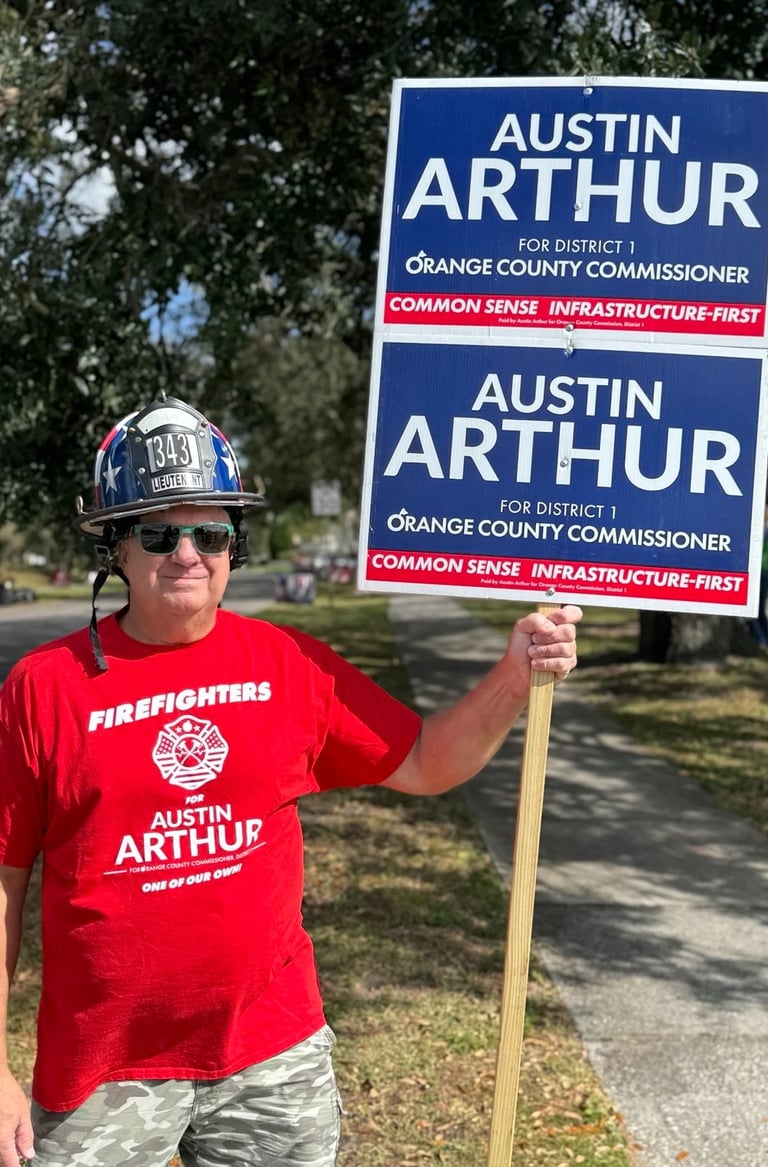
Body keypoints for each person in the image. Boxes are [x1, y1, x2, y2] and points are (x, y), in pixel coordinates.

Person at [0, 395, 580, 1167]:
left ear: (233, 544)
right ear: (117, 547)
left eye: (209, 532)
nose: (186, 553)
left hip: (271, 1055)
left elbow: (427, 760)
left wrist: (513, 675)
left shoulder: (289, 664)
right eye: (158, 532)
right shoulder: (44, 686)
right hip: (104, 1069)